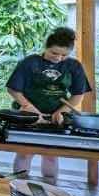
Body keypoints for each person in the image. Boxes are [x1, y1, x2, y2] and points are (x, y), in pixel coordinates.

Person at [6, 27, 92, 179]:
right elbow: (13, 89)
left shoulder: (73, 66)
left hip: (56, 118)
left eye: (64, 55)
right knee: (25, 153)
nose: (58, 58)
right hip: (28, 116)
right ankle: (18, 187)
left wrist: (62, 111)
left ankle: (50, 190)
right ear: (46, 47)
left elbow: (78, 95)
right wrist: (28, 107)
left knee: (51, 155)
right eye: (54, 53)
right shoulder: (30, 62)